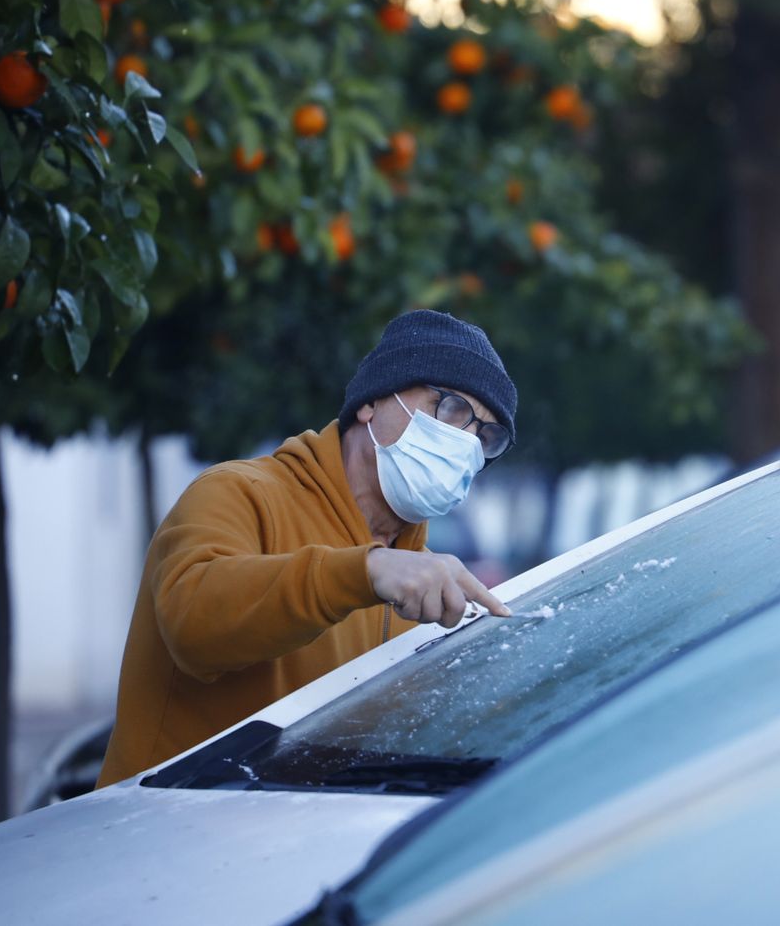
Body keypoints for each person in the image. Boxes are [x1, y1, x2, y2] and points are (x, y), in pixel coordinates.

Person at [97, 310, 516, 786]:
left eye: (486, 436)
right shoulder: (238, 493)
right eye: (451, 407)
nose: (466, 442)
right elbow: (192, 623)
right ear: (372, 402)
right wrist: (363, 572)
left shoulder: (424, 588)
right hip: (154, 841)